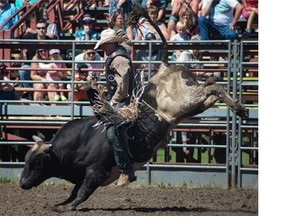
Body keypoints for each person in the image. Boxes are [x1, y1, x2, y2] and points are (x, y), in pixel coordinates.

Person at [93, 28, 137, 186]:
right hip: (121, 100)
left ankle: (125, 170)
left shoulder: (119, 59)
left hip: (125, 103)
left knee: (112, 132)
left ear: (111, 44)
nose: (103, 48)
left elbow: (123, 86)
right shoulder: (118, 55)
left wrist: (113, 101)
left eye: (104, 45)